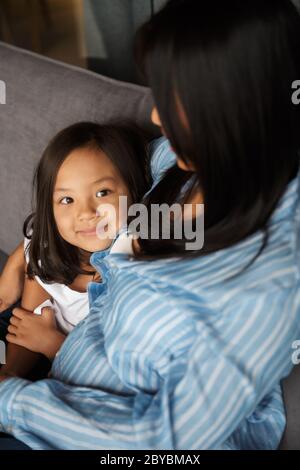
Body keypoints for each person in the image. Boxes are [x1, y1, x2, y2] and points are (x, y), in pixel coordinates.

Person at [0, 0, 300, 450]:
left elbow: (166, 442)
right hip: (52, 393)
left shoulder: (264, 285)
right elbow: (91, 193)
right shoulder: (180, 164)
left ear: (235, 104)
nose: (155, 117)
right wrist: (30, 250)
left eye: (171, 98)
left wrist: (10, 399)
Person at [0, 121, 151, 379]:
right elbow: (25, 327)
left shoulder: (128, 281)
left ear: (134, 191)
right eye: (67, 200)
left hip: (73, 370)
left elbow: (108, 370)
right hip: (24, 346)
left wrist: (53, 345)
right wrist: (9, 375)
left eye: (103, 192)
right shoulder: (49, 249)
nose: (86, 213)